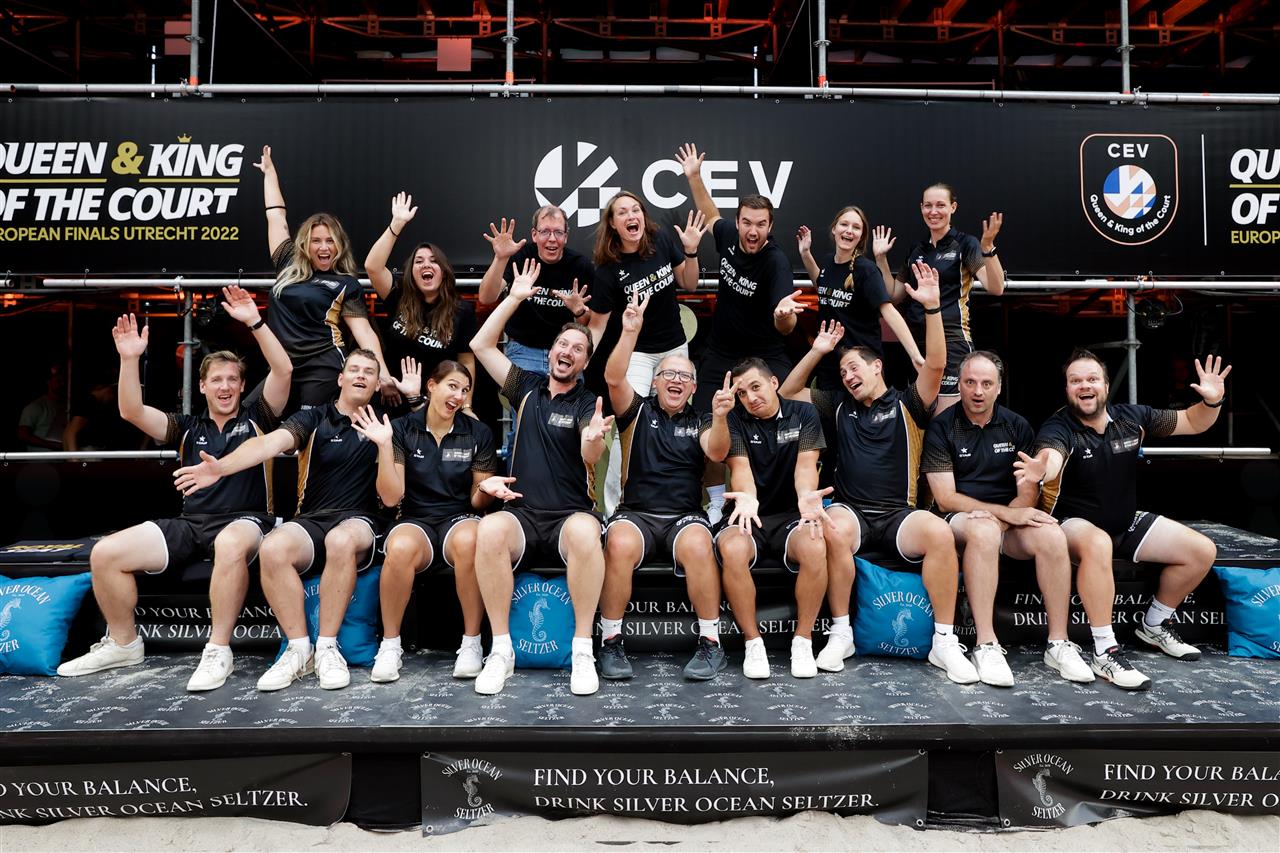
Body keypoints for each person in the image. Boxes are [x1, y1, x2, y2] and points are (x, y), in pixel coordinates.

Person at [57, 290, 292, 691]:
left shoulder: (258, 417)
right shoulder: (186, 427)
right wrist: (129, 358)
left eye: (232, 380)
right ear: (201, 387)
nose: (224, 386)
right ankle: (123, 643)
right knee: (105, 553)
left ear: (242, 386)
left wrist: (255, 322)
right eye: (216, 380)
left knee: (231, 542)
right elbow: (131, 411)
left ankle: (217, 650)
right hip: (191, 524)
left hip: (248, 521)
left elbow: (283, 370)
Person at [173, 349, 419, 692]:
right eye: (354, 369)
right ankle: (300, 648)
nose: (361, 375)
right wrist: (221, 467)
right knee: (273, 547)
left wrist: (385, 442)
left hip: (361, 520)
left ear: (378, 385)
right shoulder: (313, 418)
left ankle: (328, 648)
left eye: (369, 372)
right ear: (340, 378)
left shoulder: (389, 424)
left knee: (340, 540)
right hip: (312, 519)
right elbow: (269, 444)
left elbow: (391, 498)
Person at [779, 263, 979, 684]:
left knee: (940, 533)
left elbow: (936, 366)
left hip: (898, 514)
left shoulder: (908, 403)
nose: (848, 375)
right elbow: (788, 391)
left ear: (877, 368)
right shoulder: (837, 406)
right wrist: (819, 351)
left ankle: (945, 642)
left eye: (855, 367)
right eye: (843, 372)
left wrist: (932, 309)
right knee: (830, 528)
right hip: (852, 511)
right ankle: (841, 633)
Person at [1016, 348, 1231, 691]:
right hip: (1071, 525)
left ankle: (1154, 625)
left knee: (1201, 551)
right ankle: (1104, 650)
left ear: (1105, 385)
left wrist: (1212, 401)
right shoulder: (1058, 426)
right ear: (1067, 389)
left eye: (1091, 379)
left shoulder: (1132, 417)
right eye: (1075, 381)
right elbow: (1051, 456)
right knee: (1098, 541)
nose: (1084, 386)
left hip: (1124, 522)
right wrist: (1043, 469)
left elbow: (1193, 422)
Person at [468, 259, 614, 696]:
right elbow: (480, 344)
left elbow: (590, 451)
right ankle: (501, 651)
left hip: (570, 515)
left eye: (577, 348)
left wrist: (593, 439)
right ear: (550, 352)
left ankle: (583, 650)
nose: (567, 351)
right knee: (489, 529)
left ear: (584, 361)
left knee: (587, 533)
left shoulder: (588, 402)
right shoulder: (526, 388)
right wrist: (514, 298)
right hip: (524, 515)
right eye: (562, 344)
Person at [921, 350, 1093, 686]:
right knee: (984, 530)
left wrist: (1005, 518)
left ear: (999, 387)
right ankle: (986, 644)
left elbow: (1027, 492)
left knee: (1052, 535)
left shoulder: (1017, 425)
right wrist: (1002, 517)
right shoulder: (942, 427)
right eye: (970, 382)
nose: (978, 391)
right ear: (960, 385)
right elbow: (945, 498)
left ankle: (1059, 643)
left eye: (987, 383)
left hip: (1006, 518)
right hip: (960, 518)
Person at [597, 289, 733, 681]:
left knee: (699, 544)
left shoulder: (702, 420)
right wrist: (629, 332)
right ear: (655, 382)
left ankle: (711, 643)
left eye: (685, 376)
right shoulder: (636, 411)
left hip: (683, 517)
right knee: (618, 542)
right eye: (669, 374)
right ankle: (610, 641)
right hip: (637, 514)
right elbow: (613, 377)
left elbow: (717, 452)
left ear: (693, 388)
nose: (676, 380)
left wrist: (720, 417)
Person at [353, 360, 515, 684]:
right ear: (431, 386)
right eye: (452, 386)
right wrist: (384, 447)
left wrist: (486, 490)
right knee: (399, 548)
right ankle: (390, 645)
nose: (458, 396)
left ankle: (471, 643)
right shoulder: (401, 428)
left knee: (471, 540)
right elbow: (391, 497)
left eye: (464, 390)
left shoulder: (478, 432)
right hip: (415, 517)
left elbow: (476, 501)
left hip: (459, 516)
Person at [676, 142, 805, 523]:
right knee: (709, 424)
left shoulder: (776, 262)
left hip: (764, 355)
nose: (753, 230)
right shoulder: (728, 237)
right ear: (738, 223)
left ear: (770, 227)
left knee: (784, 409)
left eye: (761, 224)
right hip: (721, 353)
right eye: (747, 222)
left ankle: (775, 500)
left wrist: (784, 316)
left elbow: (786, 323)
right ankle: (716, 504)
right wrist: (694, 177)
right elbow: (710, 213)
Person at [590, 191, 708, 514]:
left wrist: (691, 251)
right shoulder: (608, 269)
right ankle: (614, 510)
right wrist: (579, 357)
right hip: (638, 355)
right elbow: (597, 326)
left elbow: (689, 283)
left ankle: (680, 502)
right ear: (612, 224)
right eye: (622, 212)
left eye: (636, 210)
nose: (632, 216)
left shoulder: (661, 240)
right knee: (630, 428)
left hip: (674, 349)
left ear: (643, 216)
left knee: (679, 424)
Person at [255, 145, 394, 413]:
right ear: (305, 244)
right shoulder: (287, 263)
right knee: (254, 419)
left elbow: (364, 332)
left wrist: (384, 376)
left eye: (330, 241)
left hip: (323, 365)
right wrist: (269, 173)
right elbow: (276, 215)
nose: (324, 247)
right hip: (282, 365)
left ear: (339, 245)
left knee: (308, 429)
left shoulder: (345, 284)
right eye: (316, 241)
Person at [716, 358, 832, 680]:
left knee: (814, 543)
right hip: (749, 511)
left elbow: (806, 466)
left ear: (774, 383)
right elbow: (740, 468)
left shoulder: (804, 413)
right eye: (742, 393)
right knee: (733, 548)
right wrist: (749, 499)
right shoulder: (735, 419)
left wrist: (806, 497)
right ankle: (753, 642)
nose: (750, 398)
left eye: (756, 387)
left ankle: (803, 641)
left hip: (791, 514)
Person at [877, 183, 1005, 410]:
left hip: (952, 340)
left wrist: (988, 247)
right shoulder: (916, 249)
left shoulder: (965, 244)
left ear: (953, 207)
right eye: (928, 206)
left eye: (940, 205)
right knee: (918, 411)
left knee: (946, 414)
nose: (933, 211)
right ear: (921, 208)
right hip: (916, 344)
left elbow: (995, 287)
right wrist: (881, 259)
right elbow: (894, 295)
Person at [363, 191, 478, 413]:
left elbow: (466, 362)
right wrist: (396, 225)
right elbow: (372, 267)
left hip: (436, 405)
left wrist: (466, 405)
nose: (426, 265)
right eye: (419, 261)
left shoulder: (462, 310)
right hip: (392, 398)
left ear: (444, 271)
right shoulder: (399, 295)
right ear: (411, 272)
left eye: (434, 261)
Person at [797, 208, 922, 395]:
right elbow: (823, 287)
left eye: (856, 227)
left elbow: (889, 312)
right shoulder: (827, 262)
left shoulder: (866, 270)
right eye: (844, 224)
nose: (849, 230)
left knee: (867, 412)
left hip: (862, 366)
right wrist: (806, 254)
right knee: (831, 414)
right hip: (830, 365)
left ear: (861, 236)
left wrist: (915, 356)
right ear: (834, 229)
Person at [477, 207, 599, 372]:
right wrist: (500, 258)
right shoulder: (521, 256)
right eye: (545, 232)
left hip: (564, 352)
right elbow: (486, 297)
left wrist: (579, 312)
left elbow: (591, 325)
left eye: (558, 232)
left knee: (570, 390)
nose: (552, 239)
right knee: (521, 389)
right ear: (534, 235)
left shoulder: (581, 265)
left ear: (566, 236)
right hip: (522, 349)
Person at [17, 364, 66, 451]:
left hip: (62, 457)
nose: (63, 384)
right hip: (41, 458)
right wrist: (52, 445)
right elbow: (23, 435)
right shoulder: (36, 406)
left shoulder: (67, 406)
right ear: (48, 381)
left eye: (64, 380)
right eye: (58, 380)